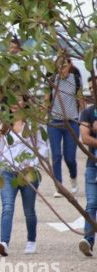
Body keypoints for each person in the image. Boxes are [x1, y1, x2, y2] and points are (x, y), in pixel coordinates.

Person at [0, 107, 48, 257]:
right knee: (7, 206)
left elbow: (43, 147)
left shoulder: (32, 124)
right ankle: (4, 242)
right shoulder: (5, 123)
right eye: (12, 99)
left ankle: (31, 241)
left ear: (25, 101)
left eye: (19, 99)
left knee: (29, 211)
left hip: (28, 173)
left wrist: (33, 163)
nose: (15, 103)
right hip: (7, 172)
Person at [47, 55, 83, 197]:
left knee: (69, 157)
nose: (62, 69)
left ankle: (73, 178)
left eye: (64, 66)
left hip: (72, 122)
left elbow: (80, 100)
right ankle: (59, 186)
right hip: (54, 122)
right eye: (59, 66)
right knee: (56, 155)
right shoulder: (52, 80)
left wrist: (84, 118)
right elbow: (46, 99)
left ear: (70, 65)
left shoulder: (75, 80)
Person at [78, 86, 97, 257]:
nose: (92, 91)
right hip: (93, 166)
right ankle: (88, 241)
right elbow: (84, 137)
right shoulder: (87, 113)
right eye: (90, 88)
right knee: (91, 204)